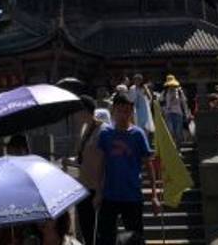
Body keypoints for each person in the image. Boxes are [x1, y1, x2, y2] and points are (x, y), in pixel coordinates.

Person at [96, 93, 160, 245]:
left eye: (127, 111)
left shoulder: (138, 134)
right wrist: (98, 192)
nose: (123, 115)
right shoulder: (105, 134)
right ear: (113, 111)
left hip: (132, 195)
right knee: (105, 239)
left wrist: (154, 195)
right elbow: (100, 165)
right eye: (120, 111)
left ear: (132, 112)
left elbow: (148, 165)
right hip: (109, 195)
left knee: (135, 239)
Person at [64, 95, 104, 245]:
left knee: (95, 232)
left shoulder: (102, 131)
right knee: (86, 230)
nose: (74, 115)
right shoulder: (85, 130)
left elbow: (102, 162)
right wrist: (70, 161)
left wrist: (99, 192)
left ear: (85, 111)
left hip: (96, 188)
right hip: (84, 187)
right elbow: (83, 158)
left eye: (77, 111)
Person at [162, 74, 190, 146]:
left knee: (178, 132)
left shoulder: (179, 92)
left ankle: (178, 147)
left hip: (178, 113)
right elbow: (161, 102)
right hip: (168, 114)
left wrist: (187, 114)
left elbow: (184, 103)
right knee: (170, 131)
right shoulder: (165, 92)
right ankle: (172, 147)